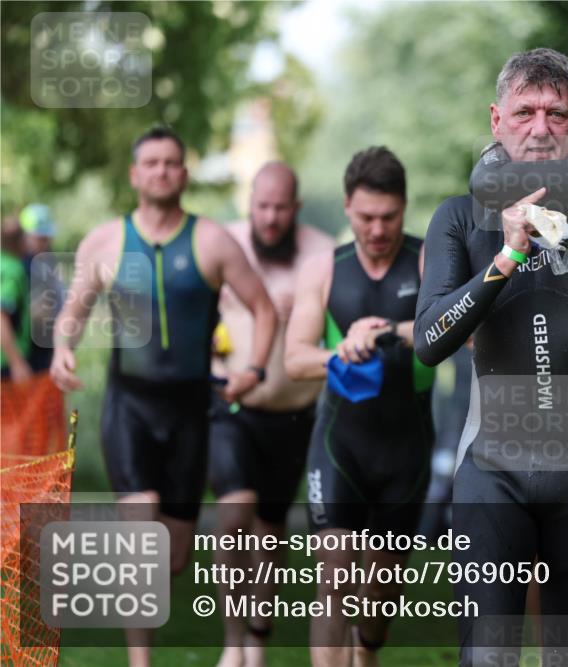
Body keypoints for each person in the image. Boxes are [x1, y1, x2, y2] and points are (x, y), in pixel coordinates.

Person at [414, 48, 568, 666]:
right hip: (492, 473)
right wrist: (503, 259)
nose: (540, 128)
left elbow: (491, 179)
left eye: (556, 113)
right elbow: (430, 341)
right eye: (523, 113)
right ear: (495, 120)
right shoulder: (459, 222)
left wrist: (512, 193)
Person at [50, 127, 277, 667]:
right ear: (135, 174)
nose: (161, 172)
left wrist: (253, 368)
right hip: (129, 406)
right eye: (150, 163)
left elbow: (264, 309)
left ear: (185, 173)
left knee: (171, 558)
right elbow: (73, 312)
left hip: (190, 411)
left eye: (171, 163)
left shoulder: (213, 242)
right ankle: (140, 663)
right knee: (140, 526)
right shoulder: (105, 241)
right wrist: (62, 349)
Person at [285, 146, 434, 667]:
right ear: (348, 207)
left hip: (406, 447)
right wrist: (340, 350)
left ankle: (365, 654)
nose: (377, 228)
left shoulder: (428, 260)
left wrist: (392, 332)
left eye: (389, 216)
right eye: (367, 217)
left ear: (404, 207)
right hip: (340, 442)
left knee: (375, 609)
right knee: (335, 576)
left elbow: (462, 333)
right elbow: (295, 359)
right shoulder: (324, 269)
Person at [209, 161, 335, 667]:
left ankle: (256, 644)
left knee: (270, 530)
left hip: (294, 414)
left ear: (296, 207)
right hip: (232, 407)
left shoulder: (321, 252)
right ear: (250, 204)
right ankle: (232, 640)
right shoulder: (225, 244)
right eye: (262, 206)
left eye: (281, 207)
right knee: (234, 512)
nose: (270, 217)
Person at [19, 203, 65, 372]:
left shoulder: (48, 261)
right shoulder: (18, 265)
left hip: (46, 350)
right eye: (40, 238)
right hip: (25, 353)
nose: (45, 242)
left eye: (47, 237)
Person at [1, 216, 32, 382]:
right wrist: (16, 362)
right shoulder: (13, 271)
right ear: (19, 241)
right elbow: (1, 317)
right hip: (5, 361)